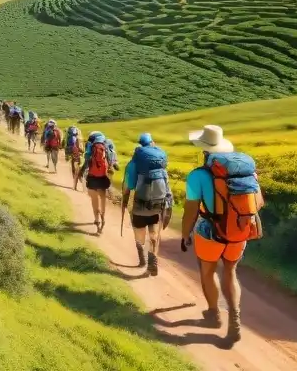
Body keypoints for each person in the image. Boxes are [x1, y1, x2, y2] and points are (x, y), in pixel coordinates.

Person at [180, 125, 263, 347]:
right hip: (239, 231)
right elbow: (257, 203)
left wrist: (185, 234)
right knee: (230, 270)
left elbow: (191, 210)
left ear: (204, 150)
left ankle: (214, 314)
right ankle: (235, 319)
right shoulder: (246, 172)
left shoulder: (199, 175)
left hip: (210, 231)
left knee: (207, 271)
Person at [121, 133, 171, 276]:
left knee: (140, 235)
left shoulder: (134, 162)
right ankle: (152, 262)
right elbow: (166, 185)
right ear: (152, 143)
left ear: (140, 145)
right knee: (154, 235)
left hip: (139, 204)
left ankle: (142, 256)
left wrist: (124, 201)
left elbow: (129, 185)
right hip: (157, 203)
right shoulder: (160, 161)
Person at [77, 131, 119, 235]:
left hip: (92, 178)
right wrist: (113, 165)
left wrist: (81, 172)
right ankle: (103, 217)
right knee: (103, 199)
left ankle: (97, 220)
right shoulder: (108, 144)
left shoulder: (91, 145)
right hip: (103, 178)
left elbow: (86, 161)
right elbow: (113, 161)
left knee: (94, 201)